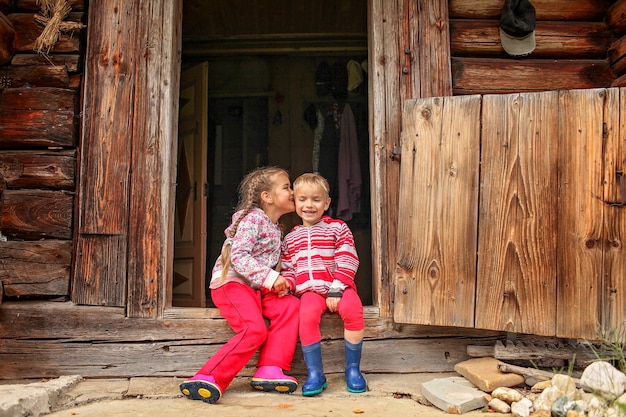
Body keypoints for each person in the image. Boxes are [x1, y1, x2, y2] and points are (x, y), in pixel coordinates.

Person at [179, 166, 300, 404]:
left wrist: (284, 281)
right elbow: (239, 257)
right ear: (267, 196)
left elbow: (279, 266)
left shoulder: (277, 228)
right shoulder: (252, 219)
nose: (293, 191)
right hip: (232, 284)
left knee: (290, 306)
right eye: (287, 187)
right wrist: (271, 278)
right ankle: (208, 376)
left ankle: (270, 368)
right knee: (254, 329)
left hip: (257, 288)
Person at [281, 173, 366, 396]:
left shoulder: (337, 228)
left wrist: (337, 288)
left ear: (326, 203)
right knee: (306, 316)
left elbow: (348, 258)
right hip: (310, 291)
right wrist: (287, 285)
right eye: (303, 199)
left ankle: (353, 370)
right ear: (295, 202)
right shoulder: (291, 238)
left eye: (316, 200)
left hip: (339, 286)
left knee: (353, 310)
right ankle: (315, 373)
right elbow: (288, 267)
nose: (309, 205)